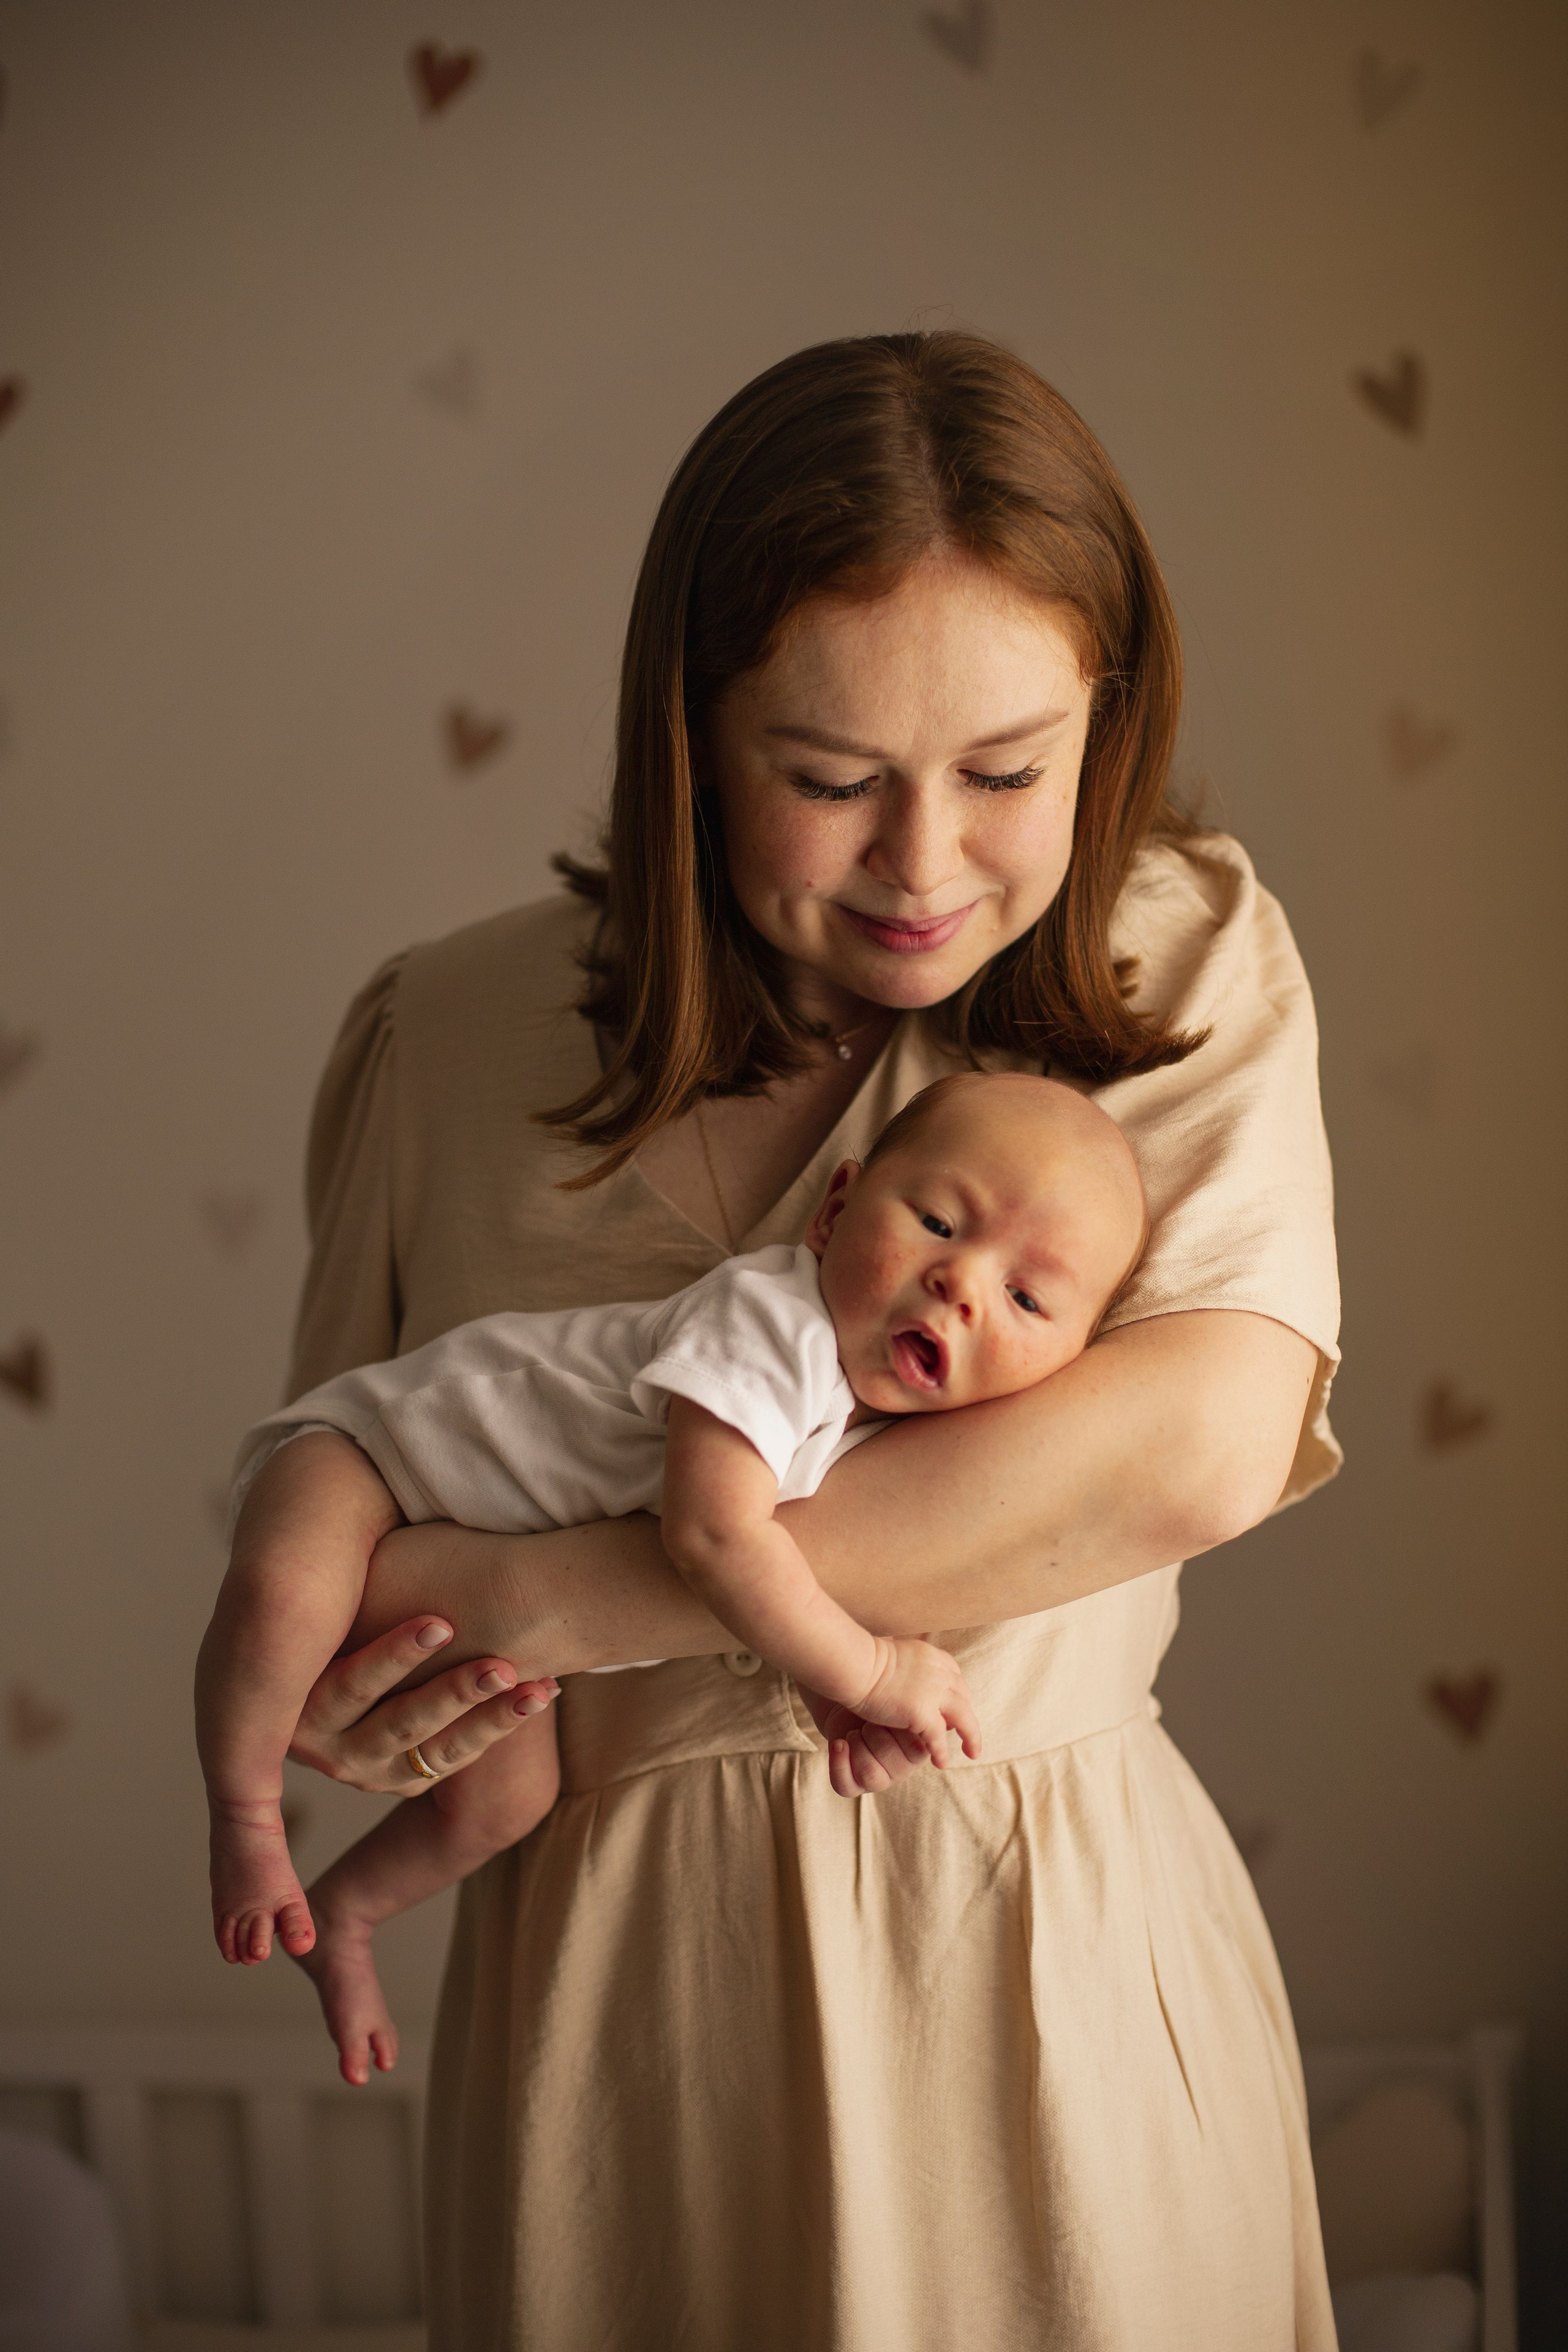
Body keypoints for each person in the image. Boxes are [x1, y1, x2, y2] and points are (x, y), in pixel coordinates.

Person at [246, 331, 1342, 2348]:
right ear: (691, 739)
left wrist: (561, 1595)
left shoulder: (1167, 960)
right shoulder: (444, 1040)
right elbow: (343, 1570)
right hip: (618, 2032)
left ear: (1105, 735)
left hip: (1039, 1981)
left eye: (1007, 774)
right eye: (829, 779)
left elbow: (1196, 1446)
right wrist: (361, 1669)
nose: (924, 866)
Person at [202, 1074, 1145, 2084]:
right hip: (369, 1458)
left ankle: (348, 1912)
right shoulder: (774, 1326)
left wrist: (823, 1692)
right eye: (938, 1221)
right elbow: (712, 1539)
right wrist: (867, 1669)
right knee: (287, 1599)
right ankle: (244, 1817)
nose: (964, 1282)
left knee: (500, 1808)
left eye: (1027, 1297)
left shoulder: (876, 1423)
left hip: (460, 1545)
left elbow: (762, 1585)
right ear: (835, 1210)